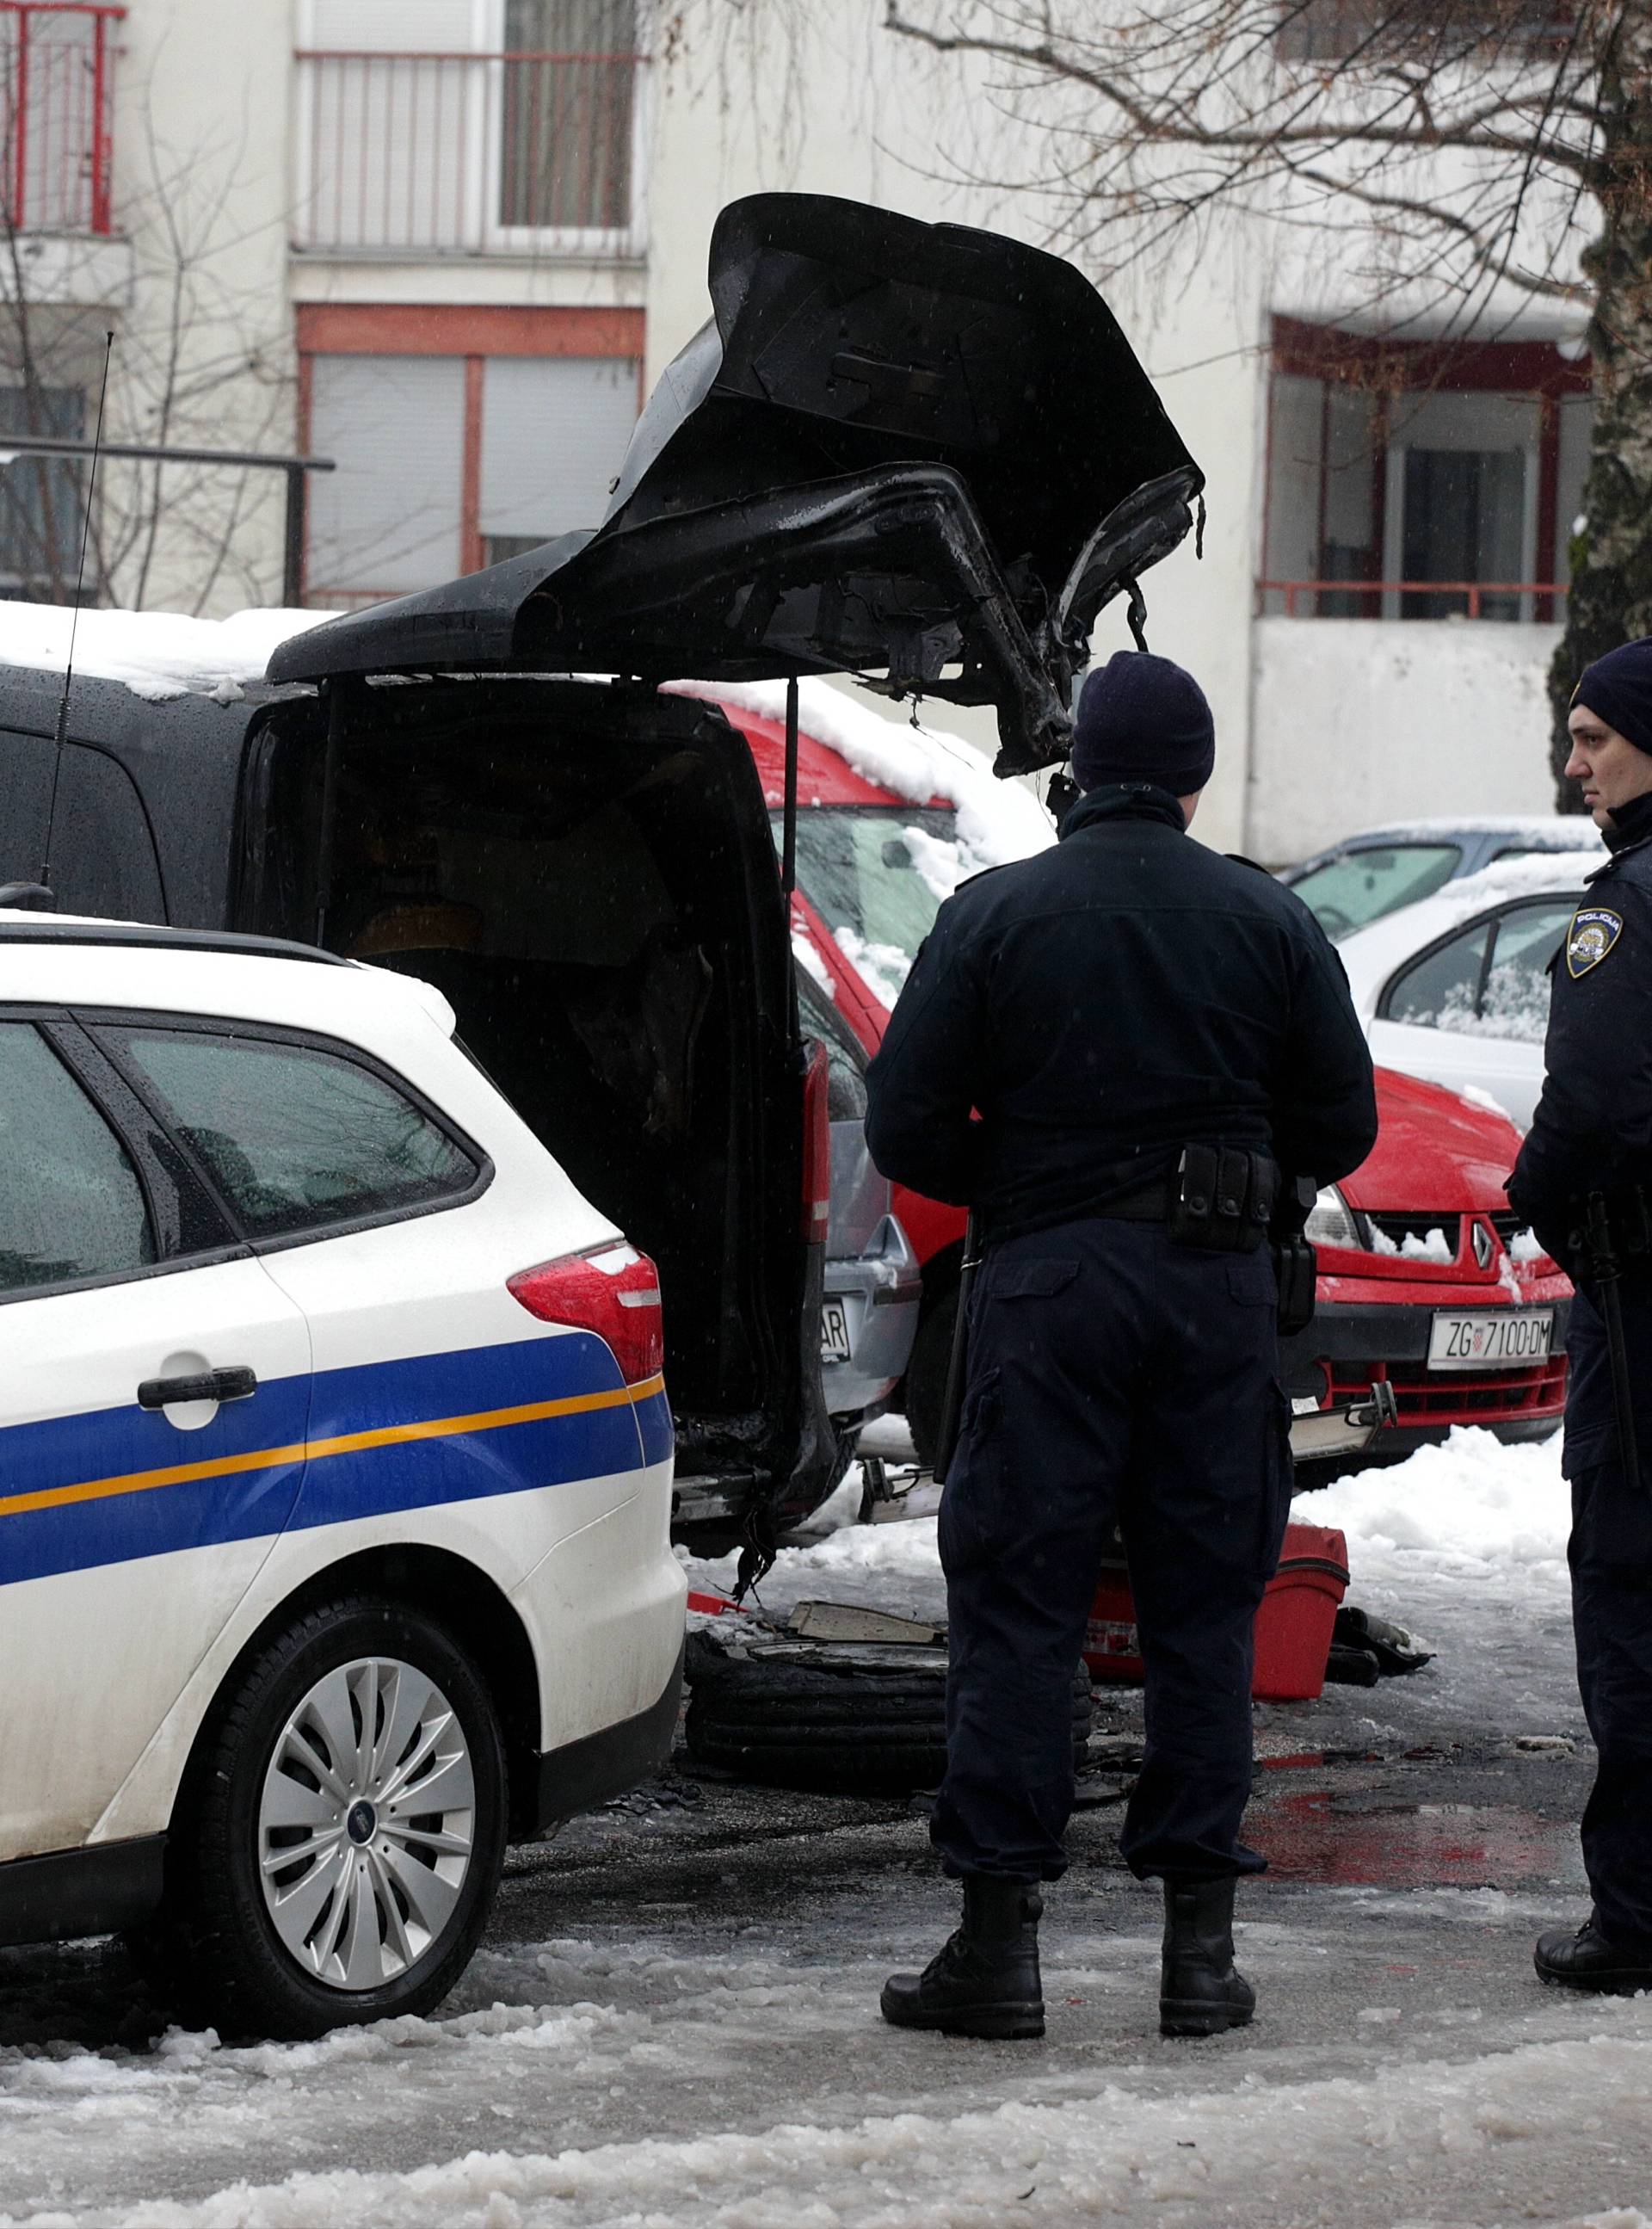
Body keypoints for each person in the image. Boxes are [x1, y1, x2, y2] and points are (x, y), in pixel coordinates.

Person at [864, 649, 1378, 2042]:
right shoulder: (1269, 924)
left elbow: (903, 1122)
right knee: (1205, 1608)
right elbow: (1345, 1124)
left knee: (1020, 1604)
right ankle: (1199, 1958)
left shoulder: (996, 916)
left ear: (1078, 769)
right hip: (1218, 1299)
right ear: (1198, 780)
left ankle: (998, 1948)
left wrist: (1032, 1181)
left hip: (1046, 1287)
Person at [1510, 636, 1652, 1995]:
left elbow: (1594, 1105)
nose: (1577, 763)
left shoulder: (1627, 911)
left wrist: (1540, 1209)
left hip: (1642, 1301)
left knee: (1628, 1587)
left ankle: (1642, 1912)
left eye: (1598, 736)